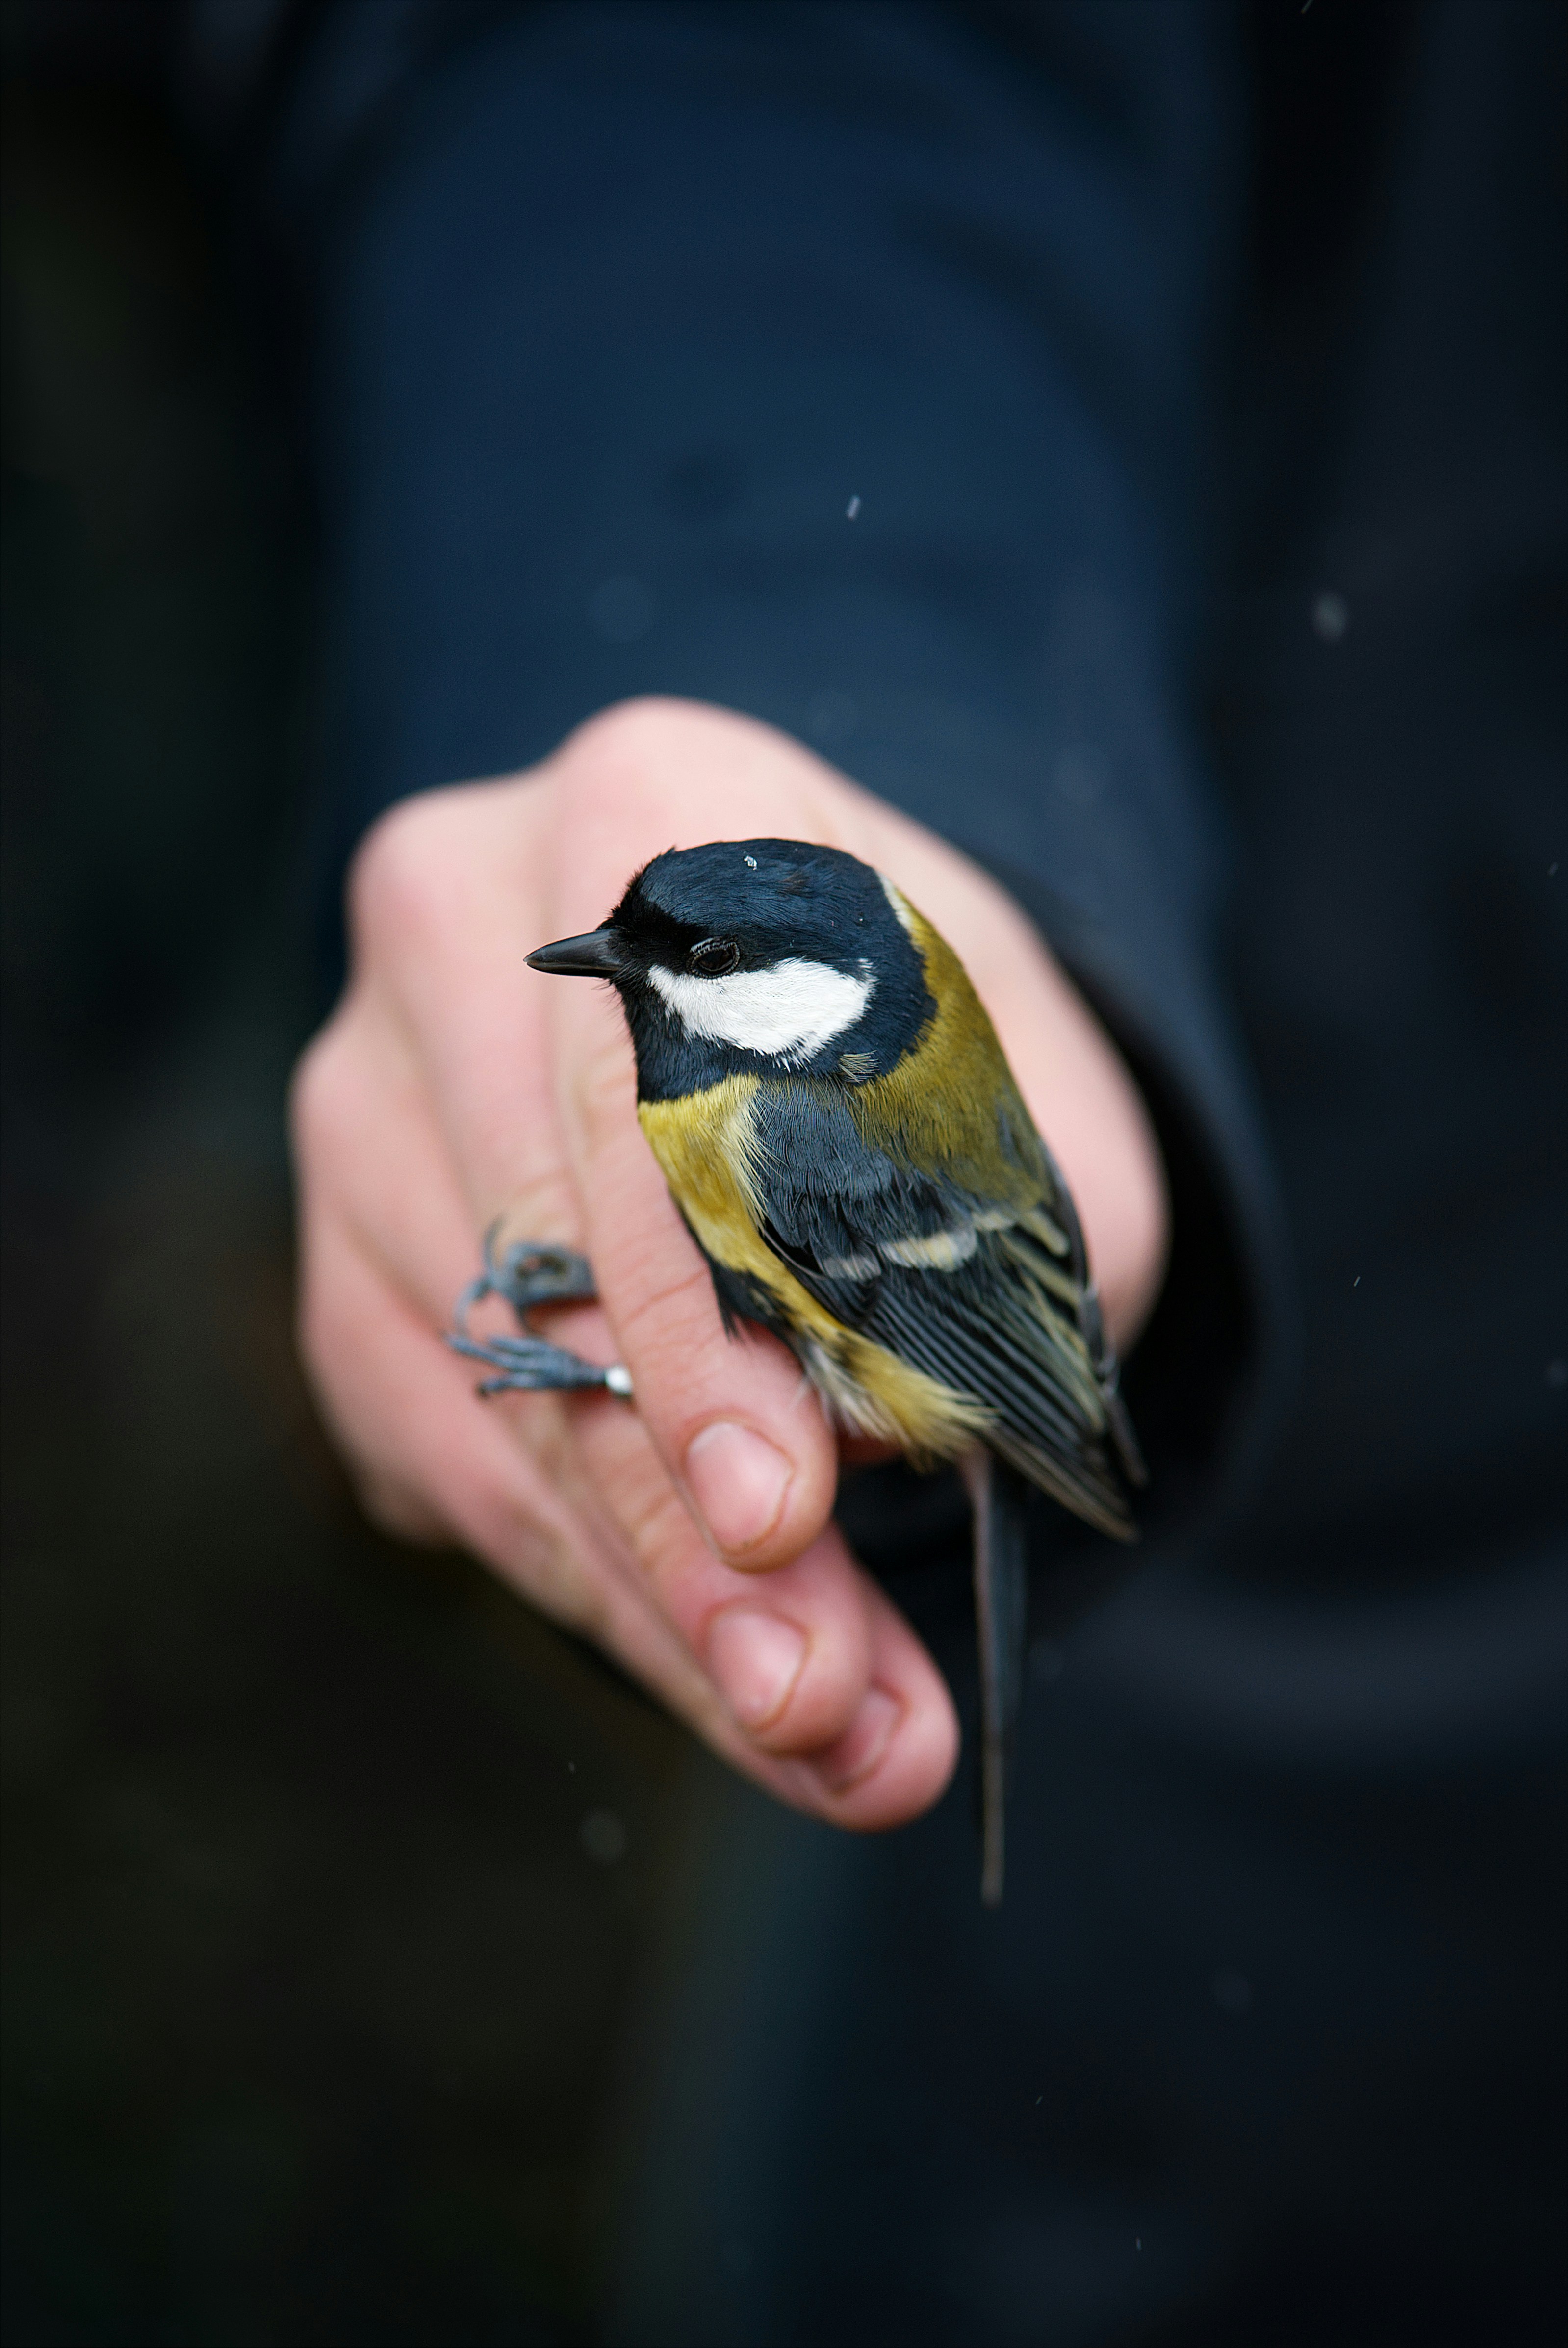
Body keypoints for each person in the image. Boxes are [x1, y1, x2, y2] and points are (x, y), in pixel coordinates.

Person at [205, 2, 1563, 2337]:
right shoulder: (798, 1048)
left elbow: (954, 1328)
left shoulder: (791, 1117)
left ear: (787, 994)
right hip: (1243, 1858)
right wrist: (846, 688)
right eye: (635, 954)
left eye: (669, 958)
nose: (620, 974)